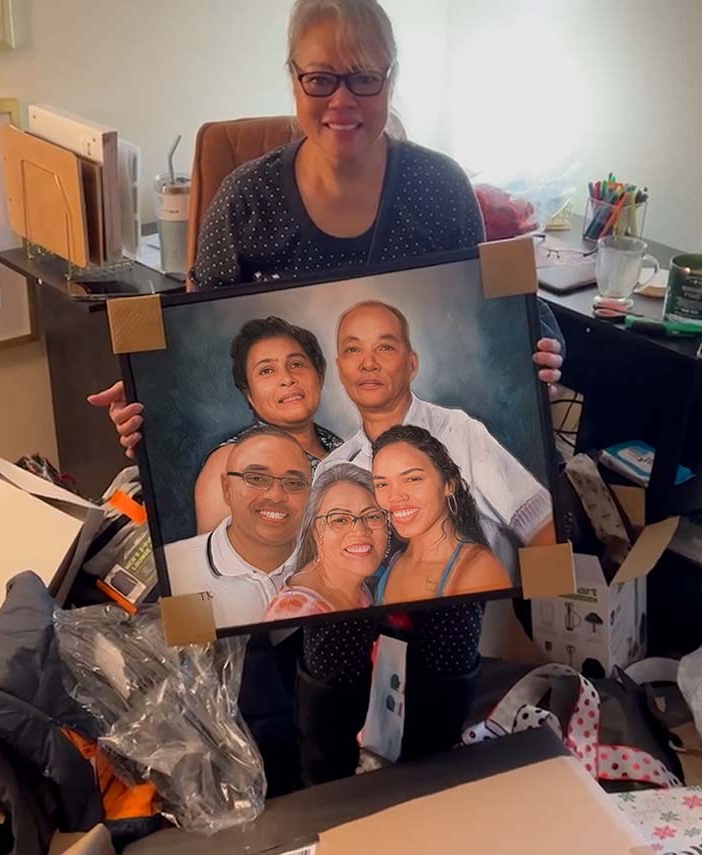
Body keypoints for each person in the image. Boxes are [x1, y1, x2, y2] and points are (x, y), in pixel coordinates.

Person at [87, 0, 565, 790]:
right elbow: (192, 317)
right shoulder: (245, 200)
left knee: (449, 633)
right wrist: (147, 393)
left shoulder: (440, 187)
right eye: (320, 78)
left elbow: (509, 298)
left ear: (389, 81)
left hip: (421, 495)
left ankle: (435, 793)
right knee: (330, 638)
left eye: (363, 79)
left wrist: (542, 344)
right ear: (293, 80)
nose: (341, 101)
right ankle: (326, 801)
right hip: (315, 476)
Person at [318, 299, 555, 577]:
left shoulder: (457, 431)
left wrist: (546, 612)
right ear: (339, 369)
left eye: (385, 347)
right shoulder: (333, 469)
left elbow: (541, 527)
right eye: (353, 349)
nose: (367, 363)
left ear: (412, 364)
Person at [192, 316, 342, 534]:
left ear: (319, 376)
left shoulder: (340, 447)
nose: (287, 378)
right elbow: (215, 562)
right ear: (248, 394)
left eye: (296, 364)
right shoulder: (230, 462)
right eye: (267, 371)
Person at [164, 425, 312, 628]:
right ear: (226, 488)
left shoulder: (334, 565)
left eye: (294, 483)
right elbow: (195, 655)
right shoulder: (179, 569)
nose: (276, 496)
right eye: (257, 479)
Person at [371, 425, 510, 603]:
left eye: (413, 479)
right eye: (382, 484)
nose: (395, 496)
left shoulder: (478, 569)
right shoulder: (393, 561)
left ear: (449, 485)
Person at [265, 463, 387, 620]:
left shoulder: (356, 585)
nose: (360, 530)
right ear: (315, 531)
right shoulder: (296, 613)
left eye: (372, 516)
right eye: (340, 520)